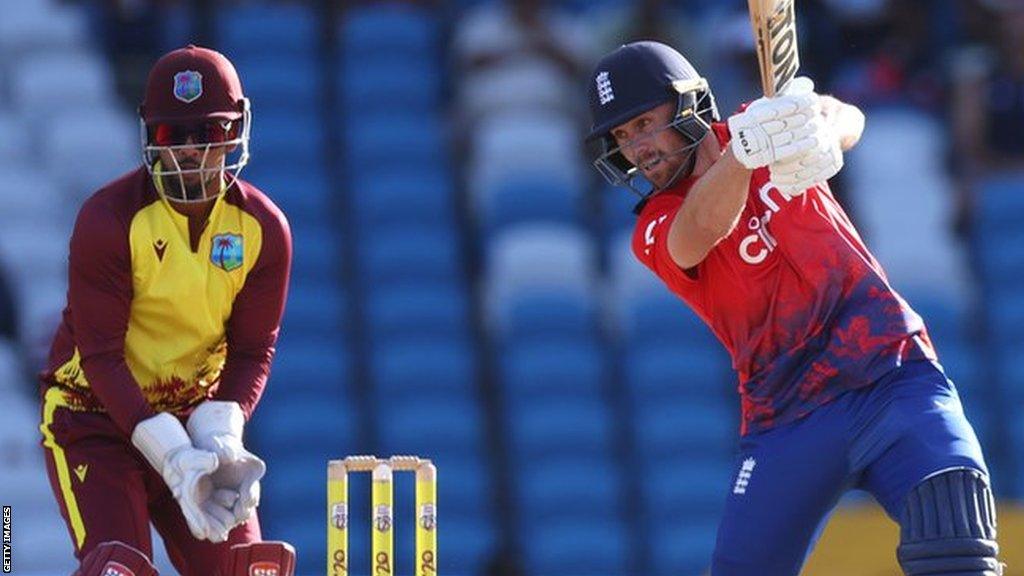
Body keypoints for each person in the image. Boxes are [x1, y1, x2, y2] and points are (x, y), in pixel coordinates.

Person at [587, 41, 1004, 575]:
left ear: (689, 105)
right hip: (788, 417)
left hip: (891, 374)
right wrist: (745, 153)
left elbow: (848, 117)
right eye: (622, 136)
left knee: (956, 533)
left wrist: (820, 127)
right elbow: (699, 230)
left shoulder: (766, 129)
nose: (637, 147)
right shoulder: (653, 226)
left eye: (644, 123)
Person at [38, 45, 295, 575]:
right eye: (171, 136)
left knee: (247, 570)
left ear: (236, 129)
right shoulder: (109, 221)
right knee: (120, 569)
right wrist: (171, 455)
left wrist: (221, 435)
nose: (190, 152)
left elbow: (253, 350)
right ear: (148, 137)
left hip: (191, 421)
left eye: (208, 132)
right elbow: (103, 356)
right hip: (94, 420)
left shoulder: (264, 230)